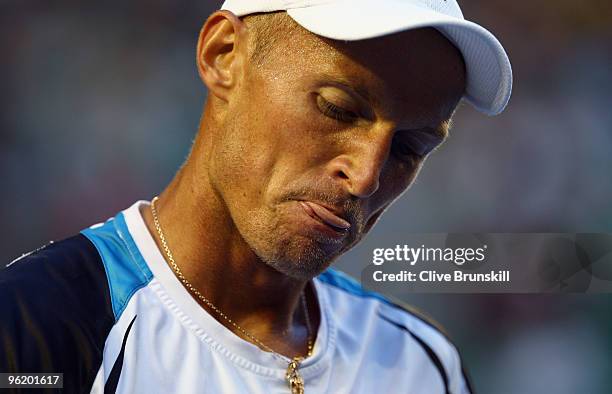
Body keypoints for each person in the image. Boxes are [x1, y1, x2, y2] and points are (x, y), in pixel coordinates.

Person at [0, 0, 512, 393]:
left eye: (409, 147)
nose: (365, 177)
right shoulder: (37, 327)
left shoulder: (420, 366)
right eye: (338, 109)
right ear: (224, 56)